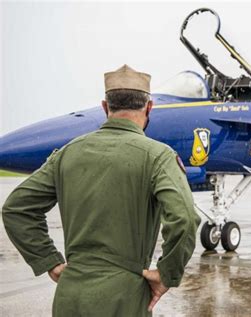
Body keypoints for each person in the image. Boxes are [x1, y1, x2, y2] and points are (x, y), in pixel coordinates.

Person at [2, 64, 201, 316]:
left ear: (105, 107)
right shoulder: (158, 156)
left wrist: (49, 261)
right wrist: (166, 274)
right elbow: (184, 218)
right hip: (125, 298)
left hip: (69, 296)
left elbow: (16, 208)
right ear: (149, 107)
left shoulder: (67, 154)